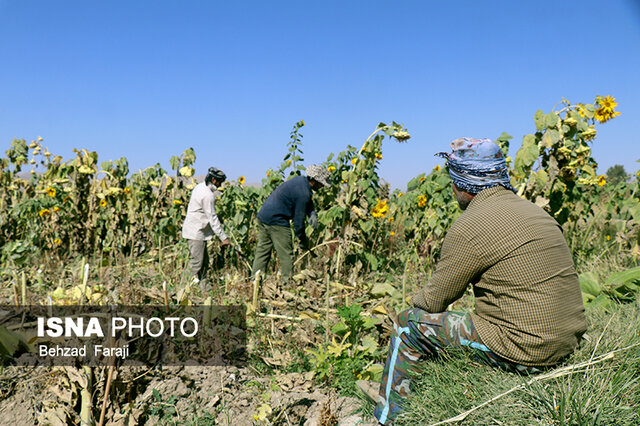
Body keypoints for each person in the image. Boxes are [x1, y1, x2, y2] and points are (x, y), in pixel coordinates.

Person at [358, 138, 587, 424]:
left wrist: (411, 305)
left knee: (406, 325)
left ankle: (388, 419)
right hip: (569, 341)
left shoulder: (470, 225)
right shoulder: (537, 213)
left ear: (465, 185)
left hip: (528, 350)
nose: (452, 189)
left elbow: (433, 301)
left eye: (453, 182)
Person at [251, 164, 330, 282]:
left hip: (263, 216)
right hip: (277, 220)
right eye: (321, 184)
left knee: (263, 251)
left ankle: (254, 281)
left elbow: (306, 199)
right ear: (313, 181)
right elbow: (298, 221)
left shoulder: (300, 180)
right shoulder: (303, 193)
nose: (322, 186)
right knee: (286, 254)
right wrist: (302, 240)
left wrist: (312, 212)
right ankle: (287, 283)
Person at [182, 167, 230, 290]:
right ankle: (182, 287)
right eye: (219, 182)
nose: (220, 185)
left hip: (196, 230)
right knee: (197, 262)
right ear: (214, 180)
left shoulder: (200, 187)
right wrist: (223, 237)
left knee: (204, 262)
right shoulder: (208, 195)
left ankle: (205, 288)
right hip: (196, 232)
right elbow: (212, 218)